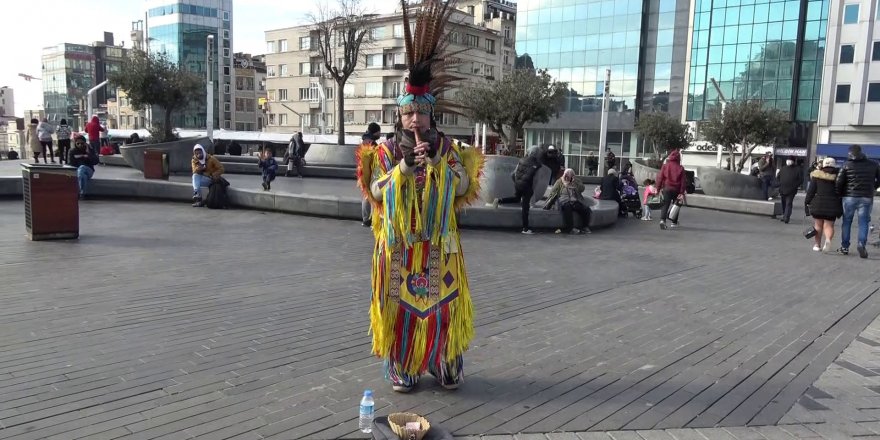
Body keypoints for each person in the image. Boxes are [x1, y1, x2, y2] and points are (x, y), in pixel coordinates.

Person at [355, 1, 483, 393]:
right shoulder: (381, 153)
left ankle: (445, 358)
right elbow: (375, 193)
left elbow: (463, 190)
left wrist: (444, 168)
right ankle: (404, 362)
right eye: (408, 113)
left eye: (421, 113)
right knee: (399, 306)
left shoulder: (451, 149)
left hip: (439, 247)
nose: (415, 120)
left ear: (431, 114)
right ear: (400, 115)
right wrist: (405, 168)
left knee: (444, 306)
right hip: (398, 247)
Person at [835, 145, 880, 258]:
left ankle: (845, 247)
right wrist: (873, 188)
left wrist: (839, 194)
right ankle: (861, 244)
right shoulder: (874, 164)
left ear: (850, 153)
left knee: (847, 222)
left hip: (849, 197)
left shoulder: (846, 165)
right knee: (864, 222)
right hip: (866, 197)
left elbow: (839, 182)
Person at [491, 146, 543, 234]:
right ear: (537, 154)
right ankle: (525, 229)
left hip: (518, 184)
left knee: (517, 198)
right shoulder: (537, 165)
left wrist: (517, 183)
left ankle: (499, 200)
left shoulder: (521, 160)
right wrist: (531, 190)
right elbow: (536, 180)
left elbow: (513, 174)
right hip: (527, 186)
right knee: (525, 208)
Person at [805, 157, 843, 252]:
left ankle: (817, 245)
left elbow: (811, 191)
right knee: (829, 225)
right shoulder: (839, 176)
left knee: (818, 225)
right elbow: (841, 191)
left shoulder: (817, 175)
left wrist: (807, 201)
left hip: (818, 203)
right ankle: (828, 240)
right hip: (833, 204)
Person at [545, 168, 591, 234]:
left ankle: (585, 227)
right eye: (566, 175)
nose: (567, 177)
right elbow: (553, 192)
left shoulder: (576, 181)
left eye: (569, 175)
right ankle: (570, 229)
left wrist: (575, 182)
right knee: (567, 208)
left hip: (574, 200)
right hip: (563, 201)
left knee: (585, 209)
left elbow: (582, 189)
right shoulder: (560, 181)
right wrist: (552, 202)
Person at [656, 149, 688, 230]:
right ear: (678, 158)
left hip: (667, 188)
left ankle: (662, 221)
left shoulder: (665, 166)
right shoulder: (681, 168)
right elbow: (683, 181)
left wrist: (658, 188)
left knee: (665, 205)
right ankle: (674, 222)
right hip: (676, 190)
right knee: (676, 205)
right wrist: (681, 192)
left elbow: (660, 178)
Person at [359, 123, 382, 226]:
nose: (380, 134)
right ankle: (368, 219)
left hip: (364, 170)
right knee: (369, 195)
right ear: (375, 132)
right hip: (369, 171)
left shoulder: (366, 140)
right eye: (379, 132)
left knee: (366, 194)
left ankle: (366, 219)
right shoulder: (370, 142)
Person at [68, 135, 96, 199]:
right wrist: (82, 156)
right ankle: (83, 194)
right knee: (83, 176)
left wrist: (88, 152)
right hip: (77, 171)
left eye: (82, 143)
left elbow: (95, 162)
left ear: (85, 143)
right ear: (75, 143)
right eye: (78, 143)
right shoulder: (72, 151)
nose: (80, 145)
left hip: (89, 170)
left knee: (82, 167)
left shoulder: (89, 150)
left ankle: (79, 192)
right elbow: (70, 164)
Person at [777, 156, 803, 224]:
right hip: (782, 189)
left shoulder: (798, 169)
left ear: (793, 161)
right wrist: (779, 184)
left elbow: (801, 180)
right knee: (783, 203)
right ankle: (784, 215)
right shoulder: (783, 168)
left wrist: (795, 186)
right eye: (788, 160)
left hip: (792, 190)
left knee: (788, 203)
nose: (788, 161)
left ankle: (786, 217)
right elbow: (778, 177)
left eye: (790, 160)